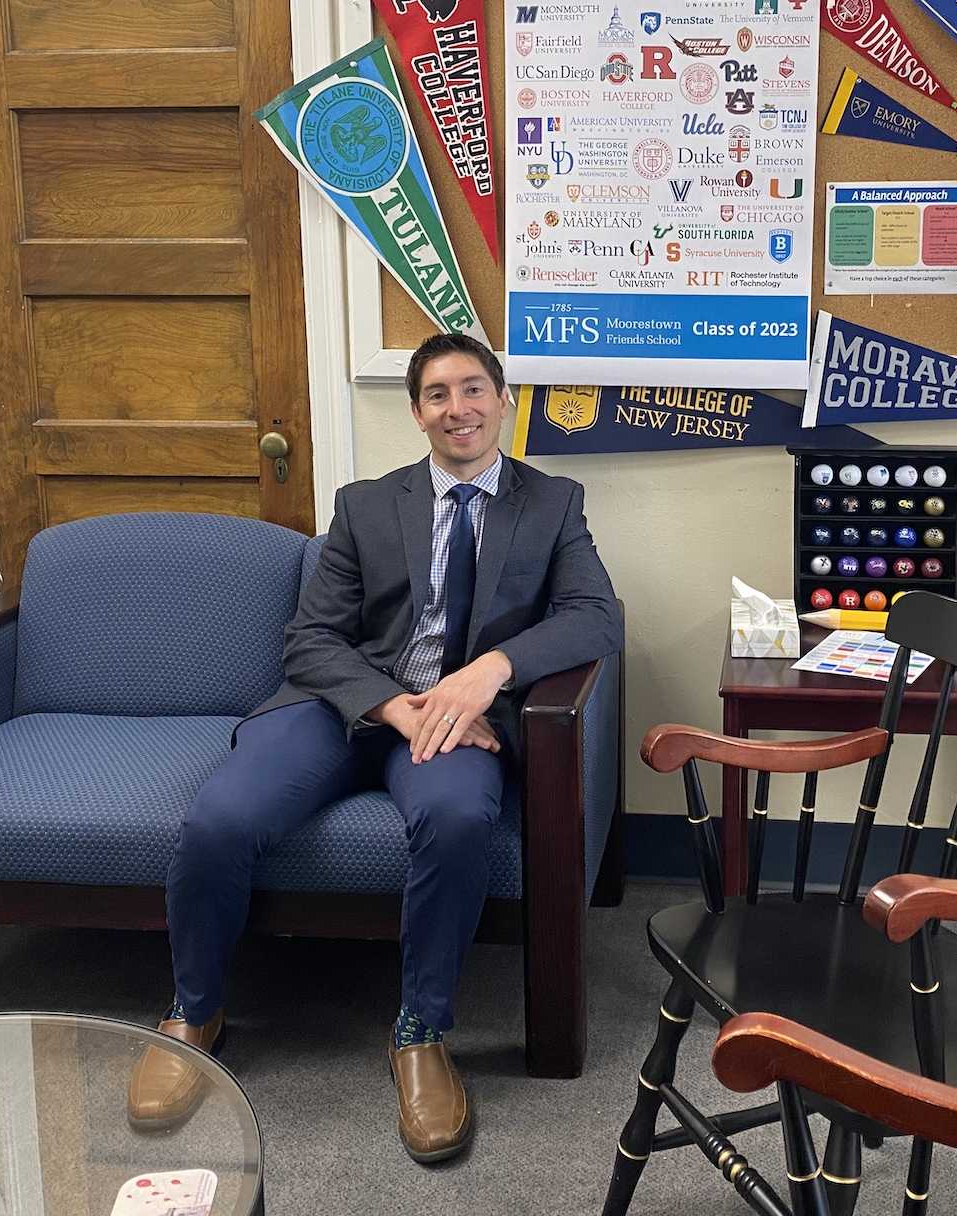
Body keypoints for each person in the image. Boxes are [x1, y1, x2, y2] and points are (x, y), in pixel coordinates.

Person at [126, 332, 623, 1162]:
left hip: (457, 720)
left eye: (473, 390)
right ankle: (193, 1008)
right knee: (221, 814)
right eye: (437, 394)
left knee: (460, 816)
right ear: (418, 412)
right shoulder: (364, 504)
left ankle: (420, 1031)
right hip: (343, 705)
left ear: (503, 401)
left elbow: (594, 615)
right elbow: (313, 640)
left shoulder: (553, 501)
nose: (457, 409)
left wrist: (486, 674)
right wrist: (394, 706)